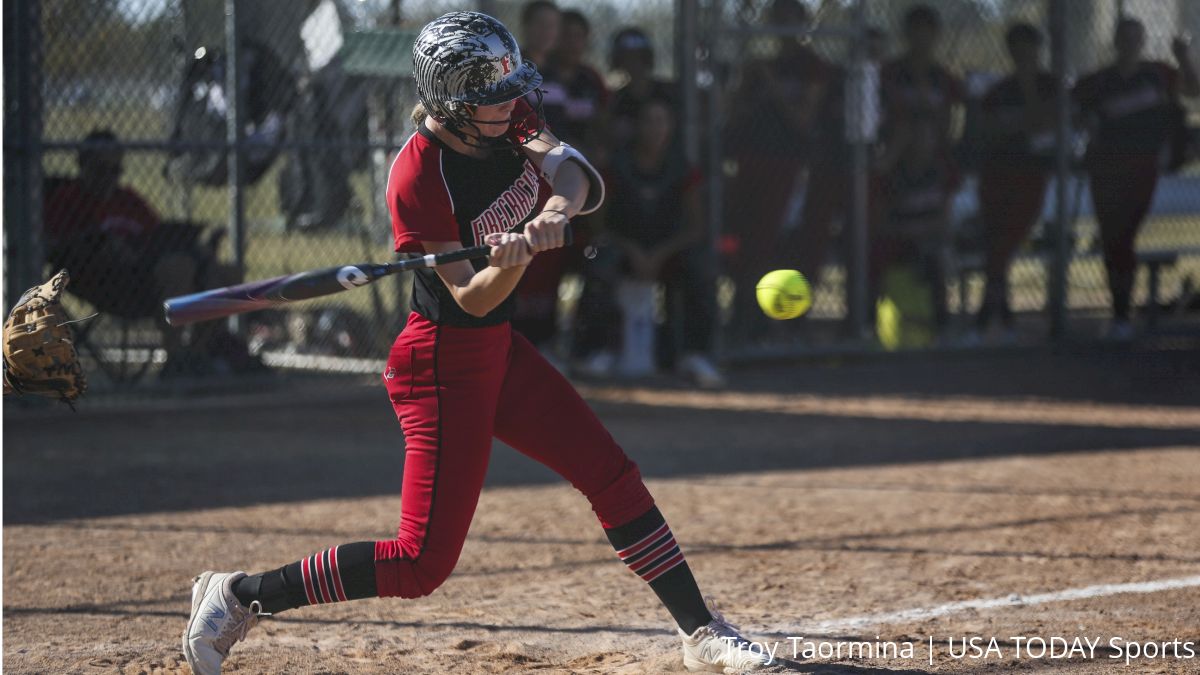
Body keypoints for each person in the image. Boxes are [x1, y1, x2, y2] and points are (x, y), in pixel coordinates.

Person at [181, 12, 772, 675]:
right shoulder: (416, 176)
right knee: (419, 562)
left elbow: (573, 173)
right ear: (450, 102)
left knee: (611, 474)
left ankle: (702, 630)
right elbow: (470, 296)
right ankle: (240, 594)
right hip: (439, 363)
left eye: (508, 89)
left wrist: (550, 212)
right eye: (490, 95)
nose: (508, 103)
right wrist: (512, 259)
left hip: (499, 349)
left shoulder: (509, 116)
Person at [43, 130, 250, 377]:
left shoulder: (128, 199)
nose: (109, 178)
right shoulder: (67, 198)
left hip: (146, 274)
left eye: (115, 171)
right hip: (105, 278)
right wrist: (99, 246)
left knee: (227, 273)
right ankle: (174, 359)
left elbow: (158, 234)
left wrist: (194, 245)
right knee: (178, 268)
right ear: (82, 164)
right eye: (101, 169)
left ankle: (195, 356)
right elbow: (52, 245)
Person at [1073, 17, 1200, 341]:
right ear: (1115, 43)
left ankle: (1121, 314)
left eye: (1135, 38)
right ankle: (1120, 313)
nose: (1129, 44)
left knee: (1123, 234)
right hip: (1106, 167)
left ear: (1142, 42)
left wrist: (1184, 56)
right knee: (1113, 238)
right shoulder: (1098, 82)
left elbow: (1194, 90)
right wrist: (1085, 121)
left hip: (1143, 166)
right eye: (1123, 38)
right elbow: (1072, 114)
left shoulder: (1157, 74)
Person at [596, 98, 722, 385]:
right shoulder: (617, 165)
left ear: (671, 127)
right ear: (636, 127)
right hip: (624, 246)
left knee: (699, 264)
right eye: (648, 121)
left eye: (661, 121)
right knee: (598, 258)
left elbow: (696, 227)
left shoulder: (681, 168)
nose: (655, 129)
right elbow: (599, 225)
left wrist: (660, 253)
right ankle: (599, 350)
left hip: (667, 250)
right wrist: (633, 250)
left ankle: (693, 354)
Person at [723, 0, 829, 343]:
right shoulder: (760, 66)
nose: (782, 25)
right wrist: (746, 85)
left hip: (788, 165)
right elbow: (733, 116)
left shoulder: (811, 66)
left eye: (790, 19)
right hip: (750, 162)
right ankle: (744, 317)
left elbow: (804, 121)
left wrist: (771, 86)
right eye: (777, 19)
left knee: (776, 240)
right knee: (744, 240)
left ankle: (775, 320)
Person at [512, 8, 606, 355]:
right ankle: (519, 340)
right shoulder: (514, 69)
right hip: (525, 179)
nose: (550, 33)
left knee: (554, 258)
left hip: (567, 179)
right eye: (542, 25)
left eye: (555, 26)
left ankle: (546, 340)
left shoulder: (573, 77)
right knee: (525, 258)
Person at [873, 4, 965, 342]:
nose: (922, 38)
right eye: (916, 30)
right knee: (879, 250)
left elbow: (943, 221)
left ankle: (939, 327)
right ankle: (870, 324)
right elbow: (879, 220)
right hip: (897, 169)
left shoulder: (944, 78)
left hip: (924, 232)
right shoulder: (891, 73)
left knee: (934, 253)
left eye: (928, 31)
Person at [972, 23, 1056, 340]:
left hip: (1030, 175)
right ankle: (1003, 315)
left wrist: (1024, 110)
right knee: (995, 243)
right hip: (996, 173)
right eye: (1017, 51)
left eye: (1029, 50)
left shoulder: (1050, 85)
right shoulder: (999, 91)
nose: (1024, 57)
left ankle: (985, 315)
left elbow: (1045, 126)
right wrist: (1023, 122)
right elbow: (988, 130)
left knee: (1004, 244)